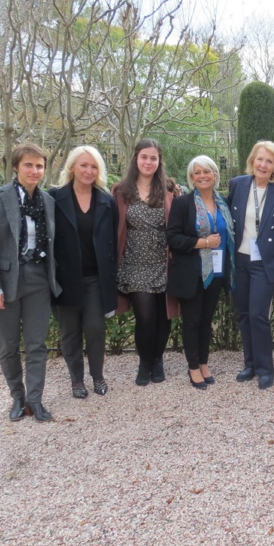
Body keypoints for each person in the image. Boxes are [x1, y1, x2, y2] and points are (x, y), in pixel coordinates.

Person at [0, 144, 61, 422]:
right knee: (8, 346)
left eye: (39, 166)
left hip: (38, 280)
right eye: (29, 165)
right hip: (4, 281)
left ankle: (34, 400)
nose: (34, 171)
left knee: (37, 345)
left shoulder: (48, 201)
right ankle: (17, 397)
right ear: (16, 167)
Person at [49, 146, 118, 399]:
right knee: (69, 332)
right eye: (83, 165)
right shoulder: (54, 197)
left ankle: (97, 375)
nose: (89, 171)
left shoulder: (106, 200)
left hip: (95, 279)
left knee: (95, 328)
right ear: (72, 167)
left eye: (93, 166)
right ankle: (76, 380)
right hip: (65, 279)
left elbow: (112, 239)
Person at [227, 141, 274, 390]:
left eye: (269, 161)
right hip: (240, 260)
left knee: (258, 315)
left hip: (266, 264)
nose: (263, 165)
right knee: (244, 314)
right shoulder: (238, 184)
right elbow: (223, 211)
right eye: (259, 159)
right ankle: (250, 364)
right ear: (252, 160)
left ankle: (266, 369)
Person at [113, 139, 178, 386]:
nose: (148, 162)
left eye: (153, 158)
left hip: (163, 263)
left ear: (159, 161)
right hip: (134, 264)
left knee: (164, 317)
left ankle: (157, 360)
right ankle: (144, 362)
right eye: (144, 157)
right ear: (136, 159)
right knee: (146, 317)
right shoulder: (121, 190)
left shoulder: (170, 189)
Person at [167, 156, 235, 390]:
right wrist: (202, 243)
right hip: (191, 273)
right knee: (193, 321)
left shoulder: (224, 203)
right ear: (191, 177)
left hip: (216, 272)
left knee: (206, 320)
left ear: (215, 174)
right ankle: (193, 367)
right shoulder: (182, 204)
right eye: (197, 172)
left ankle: (204, 363)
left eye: (207, 171)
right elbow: (172, 237)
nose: (202, 175)